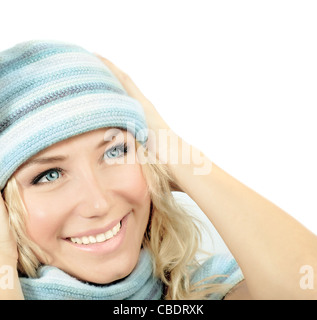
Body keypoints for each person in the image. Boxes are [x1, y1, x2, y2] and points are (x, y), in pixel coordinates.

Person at [0, 40, 316, 300]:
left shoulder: (204, 292)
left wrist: (172, 147)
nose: (98, 203)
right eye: (50, 175)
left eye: (115, 151)